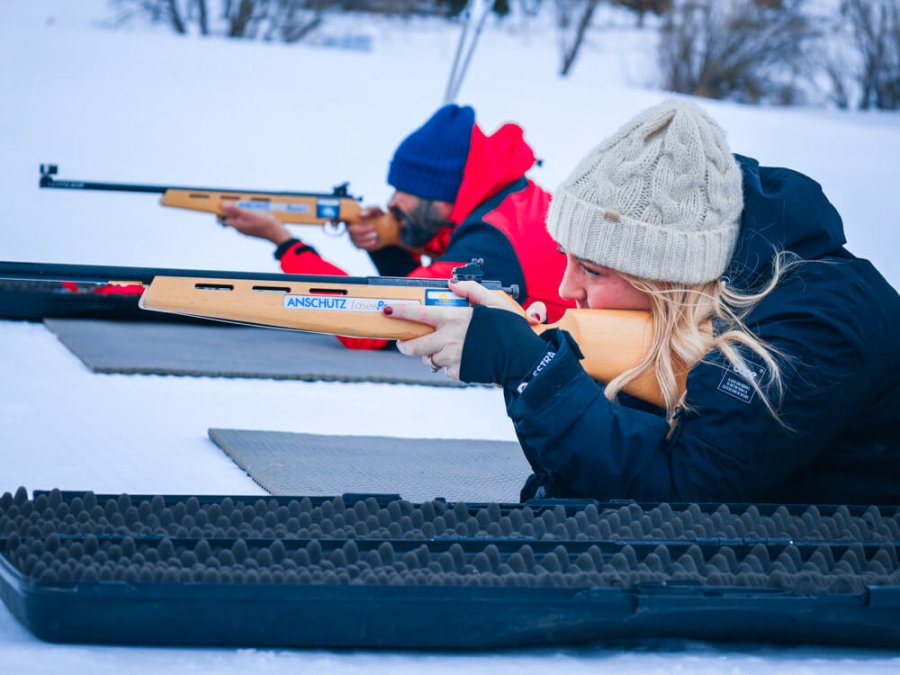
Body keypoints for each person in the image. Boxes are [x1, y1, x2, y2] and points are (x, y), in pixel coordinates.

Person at [383, 98, 900, 505]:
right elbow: (607, 476)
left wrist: (534, 369)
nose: (566, 289)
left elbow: (681, 497)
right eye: (567, 258)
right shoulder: (696, 310)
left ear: (668, 276)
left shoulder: (817, 324)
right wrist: (552, 368)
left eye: (593, 269)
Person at [219, 104, 571, 349]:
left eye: (406, 191)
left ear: (444, 195)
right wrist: (386, 244)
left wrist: (284, 243)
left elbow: (369, 326)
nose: (390, 203)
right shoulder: (512, 205)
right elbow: (437, 281)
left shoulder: (493, 241)